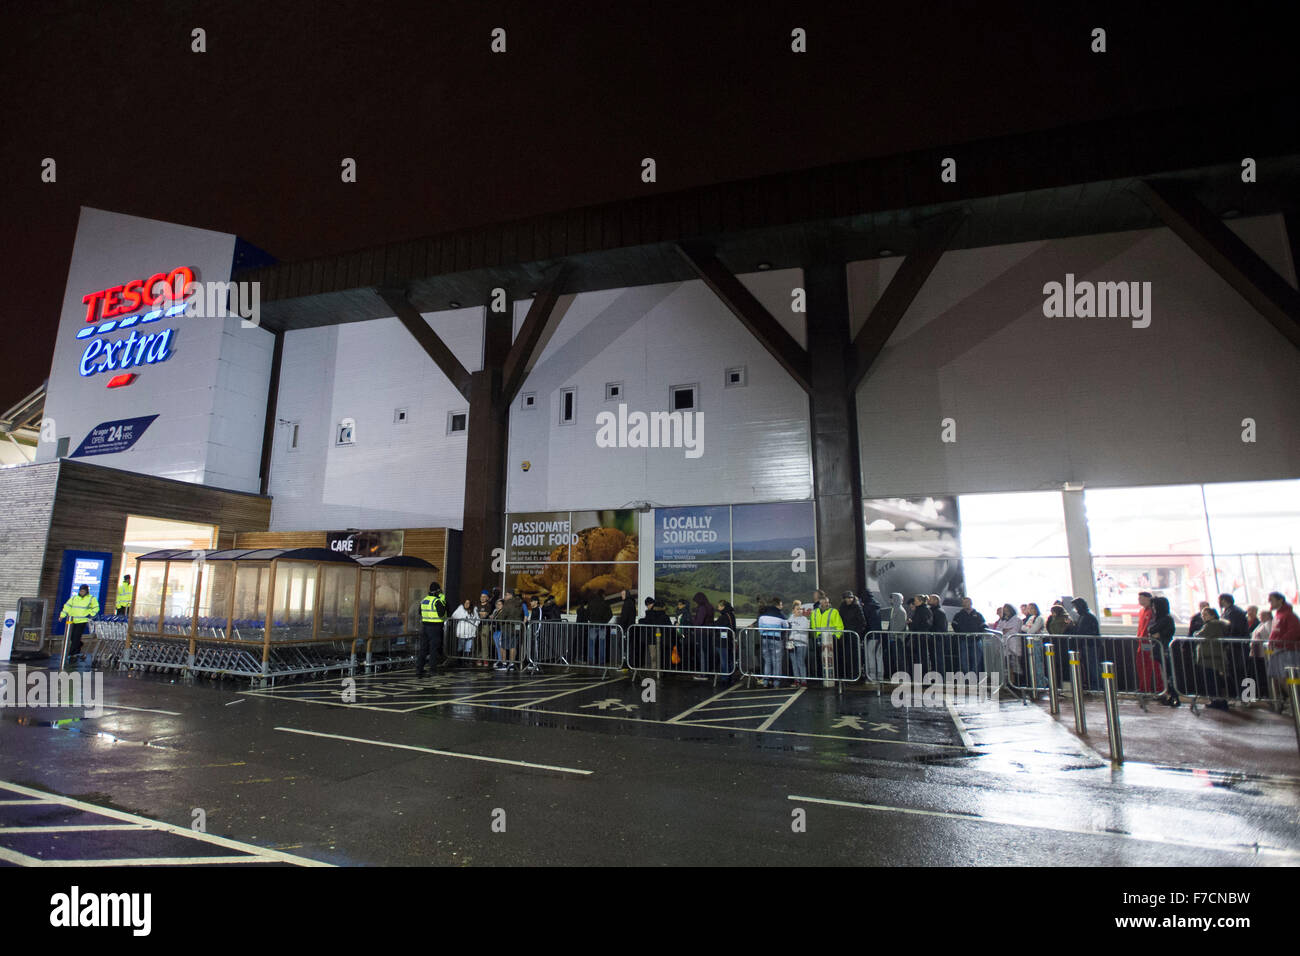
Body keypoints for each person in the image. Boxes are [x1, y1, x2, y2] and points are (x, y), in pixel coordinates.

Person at [1195, 607, 1230, 710]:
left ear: (1213, 615)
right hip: (1212, 656)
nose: (1203, 616)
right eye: (1202, 614)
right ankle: (1217, 700)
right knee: (1215, 680)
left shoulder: (1212, 625)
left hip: (1210, 657)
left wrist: (1195, 634)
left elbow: (1199, 635)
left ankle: (1217, 701)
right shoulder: (1217, 624)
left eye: (1206, 614)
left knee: (1212, 680)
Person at [1150, 596, 1179, 706]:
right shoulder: (1163, 618)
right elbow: (1152, 631)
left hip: (1165, 650)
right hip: (1161, 650)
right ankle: (1170, 695)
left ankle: (1174, 696)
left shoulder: (1166, 619)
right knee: (1166, 674)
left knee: (1169, 674)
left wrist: (1157, 634)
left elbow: (1152, 630)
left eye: (1154, 606)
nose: (1153, 608)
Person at [809, 595, 843, 688]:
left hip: (831, 640)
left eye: (827, 602)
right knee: (820, 660)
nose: (827, 604)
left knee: (832, 660)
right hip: (819, 639)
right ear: (821, 603)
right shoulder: (814, 612)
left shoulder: (834, 612)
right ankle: (821, 679)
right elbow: (813, 626)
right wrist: (815, 636)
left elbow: (839, 626)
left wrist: (836, 636)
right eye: (825, 602)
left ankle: (833, 679)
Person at [60, 584, 99, 664]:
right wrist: (62, 616)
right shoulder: (74, 598)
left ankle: (72, 653)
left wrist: (91, 614)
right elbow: (67, 606)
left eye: (83, 591)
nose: (82, 592)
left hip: (82, 620)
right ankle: (79, 645)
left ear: (86, 591)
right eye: (81, 591)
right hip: (72, 620)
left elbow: (96, 608)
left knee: (76, 637)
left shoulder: (91, 598)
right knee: (71, 636)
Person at [415, 582, 447, 678]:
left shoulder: (424, 600)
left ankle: (419, 669)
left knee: (423, 649)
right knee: (433, 649)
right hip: (434, 628)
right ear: (437, 591)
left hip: (425, 627)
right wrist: (443, 602)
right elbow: (442, 614)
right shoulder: (436, 601)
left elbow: (420, 612)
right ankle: (432, 670)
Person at [756, 596, 788, 687]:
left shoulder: (763, 613)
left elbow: (760, 627)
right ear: (777, 605)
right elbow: (786, 627)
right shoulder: (781, 614)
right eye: (781, 605)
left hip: (765, 638)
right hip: (776, 639)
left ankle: (765, 681)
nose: (782, 607)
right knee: (777, 661)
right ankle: (776, 682)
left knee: (767, 661)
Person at [1071, 597, 1102, 689]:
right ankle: (1095, 686)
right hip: (1088, 645)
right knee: (1091, 666)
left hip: (1090, 645)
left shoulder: (1086, 617)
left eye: (1075, 607)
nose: (1075, 610)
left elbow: (1081, 631)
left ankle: (1098, 687)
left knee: (1093, 667)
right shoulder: (1085, 616)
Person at [638, 597, 673, 677]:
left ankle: (656, 671)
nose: (650, 606)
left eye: (650, 604)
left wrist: (641, 621)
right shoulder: (655, 614)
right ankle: (656, 671)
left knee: (654, 655)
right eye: (648, 605)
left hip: (654, 637)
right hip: (656, 637)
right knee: (655, 655)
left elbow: (647, 622)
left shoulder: (652, 614)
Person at [952, 596, 987, 674]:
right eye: (963, 603)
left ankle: (975, 677)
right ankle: (967, 678)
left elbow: (983, 625)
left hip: (976, 640)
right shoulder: (958, 615)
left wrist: (979, 635)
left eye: (966, 602)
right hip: (963, 640)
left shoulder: (978, 615)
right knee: (964, 660)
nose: (965, 604)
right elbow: (954, 625)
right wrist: (961, 634)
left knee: (976, 659)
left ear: (971, 603)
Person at [837, 591, 866, 682]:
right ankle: (848, 674)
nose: (849, 599)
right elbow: (840, 619)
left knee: (855, 656)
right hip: (846, 634)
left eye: (850, 598)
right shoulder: (842, 607)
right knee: (847, 655)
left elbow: (862, 622)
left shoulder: (857, 606)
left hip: (854, 635)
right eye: (847, 598)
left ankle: (856, 675)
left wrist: (857, 633)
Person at [498, 589, 524, 670]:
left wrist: (499, 619)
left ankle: (504, 664)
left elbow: (502, 616)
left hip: (507, 627)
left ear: (510, 595)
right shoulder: (519, 603)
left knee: (503, 646)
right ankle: (512, 664)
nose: (505, 597)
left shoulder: (508, 603)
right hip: (517, 627)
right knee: (513, 646)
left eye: (506, 595)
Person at [585, 589, 613, 668]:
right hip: (602, 626)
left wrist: (591, 620)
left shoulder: (591, 602)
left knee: (591, 644)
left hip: (593, 625)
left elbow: (587, 613)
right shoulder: (605, 603)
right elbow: (610, 614)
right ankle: (601, 661)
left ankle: (591, 660)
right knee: (602, 644)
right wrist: (604, 621)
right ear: (603, 595)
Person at [788, 600, 810, 686]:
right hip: (792, 643)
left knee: (800, 662)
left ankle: (803, 680)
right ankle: (796, 680)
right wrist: (795, 627)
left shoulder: (804, 619)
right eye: (798, 609)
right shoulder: (790, 618)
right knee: (794, 662)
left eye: (801, 609)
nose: (800, 610)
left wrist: (794, 627)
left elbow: (803, 628)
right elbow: (788, 627)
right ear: (793, 610)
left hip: (801, 643)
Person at [714, 599, 737, 681]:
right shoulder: (731, 615)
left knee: (724, 660)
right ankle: (730, 676)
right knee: (729, 659)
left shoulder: (723, 616)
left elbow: (716, 625)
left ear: (723, 607)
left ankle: (725, 677)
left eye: (719, 606)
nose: (718, 608)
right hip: (730, 640)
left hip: (722, 641)